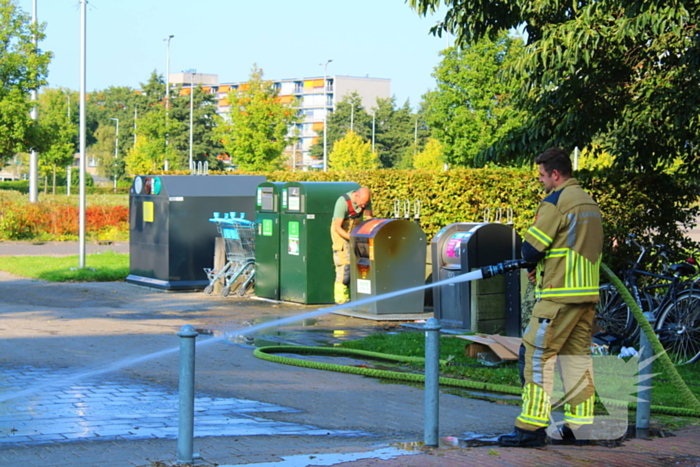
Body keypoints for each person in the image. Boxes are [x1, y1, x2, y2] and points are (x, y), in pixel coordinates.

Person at [498, 148, 603, 448]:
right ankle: (580, 428)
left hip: (558, 297)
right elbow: (574, 248)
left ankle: (530, 430)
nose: (542, 181)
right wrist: (543, 267)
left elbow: (531, 248)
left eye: (543, 175)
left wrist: (535, 264)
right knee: (577, 361)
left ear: (555, 174)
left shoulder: (556, 202)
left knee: (536, 357)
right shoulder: (589, 202)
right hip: (586, 296)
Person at [330, 187, 373, 304]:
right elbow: (337, 227)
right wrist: (352, 238)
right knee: (345, 266)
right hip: (341, 232)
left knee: (362, 263)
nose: (363, 207)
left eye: (366, 204)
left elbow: (369, 219)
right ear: (356, 196)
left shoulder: (365, 201)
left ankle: (358, 297)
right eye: (362, 204)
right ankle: (341, 300)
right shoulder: (342, 202)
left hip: (356, 231)